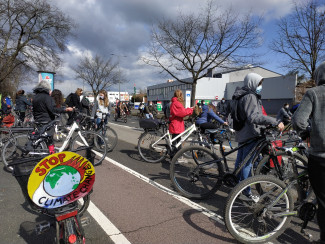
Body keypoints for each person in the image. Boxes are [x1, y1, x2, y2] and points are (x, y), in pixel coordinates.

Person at [232, 73, 284, 196]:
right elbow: (254, 117)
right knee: (247, 164)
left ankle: (236, 186)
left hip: (242, 132)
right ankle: (246, 192)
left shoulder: (240, 95)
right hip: (250, 133)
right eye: (259, 83)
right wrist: (274, 122)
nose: (260, 86)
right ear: (253, 82)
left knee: (240, 162)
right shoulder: (250, 96)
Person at [292, 61, 325, 243]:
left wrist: (305, 133)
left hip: (319, 157)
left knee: (323, 202)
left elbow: (298, 120)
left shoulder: (313, 93)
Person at [32, 80, 73, 154]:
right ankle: (51, 155)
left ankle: (43, 150)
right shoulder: (47, 97)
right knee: (49, 139)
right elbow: (53, 109)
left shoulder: (35, 97)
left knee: (41, 137)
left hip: (38, 120)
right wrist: (65, 109)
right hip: (46, 121)